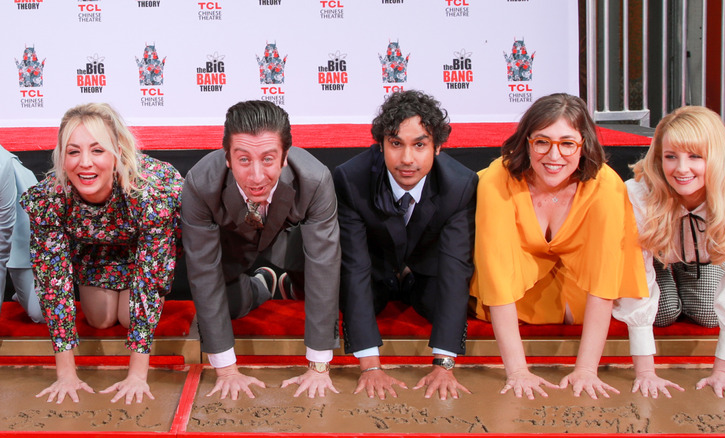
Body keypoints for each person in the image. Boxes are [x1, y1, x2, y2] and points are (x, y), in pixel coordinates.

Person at [469, 93, 648, 400]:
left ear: (584, 145)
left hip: (580, 292)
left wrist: (587, 370)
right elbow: (496, 274)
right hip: (512, 295)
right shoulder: (496, 180)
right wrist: (517, 372)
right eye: (542, 142)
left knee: (574, 308)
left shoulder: (606, 185)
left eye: (567, 143)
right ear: (526, 142)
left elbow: (604, 279)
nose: (554, 156)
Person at [21, 103, 182, 404]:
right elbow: (52, 282)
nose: (85, 163)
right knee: (101, 319)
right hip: (96, 250)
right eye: (73, 152)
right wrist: (66, 374)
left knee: (131, 317)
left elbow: (150, 278)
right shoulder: (51, 197)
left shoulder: (148, 193)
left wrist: (136, 375)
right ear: (61, 156)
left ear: (117, 152)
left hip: (147, 252)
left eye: (97, 150)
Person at [181, 100, 341, 400]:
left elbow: (324, 264)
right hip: (233, 251)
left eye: (268, 159)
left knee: (319, 288)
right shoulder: (200, 183)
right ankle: (263, 286)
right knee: (230, 304)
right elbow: (203, 272)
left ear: (284, 158)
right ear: (227, 157)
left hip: (292, 248)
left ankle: (289, 285)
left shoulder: (315, 179)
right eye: (244, 160)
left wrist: (319, 367)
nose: (256, 176)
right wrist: (227, 371)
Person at [612, 106, 725, 400]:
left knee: (707, 314)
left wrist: (723, 373)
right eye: (671, 156)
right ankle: (668, 272)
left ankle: (687, 272)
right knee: (662, 314)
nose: (681, 169)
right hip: (656, 256)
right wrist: (646, 373)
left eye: (695, 156)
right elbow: (636, 275)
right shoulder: (637, 195)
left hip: (706, 258)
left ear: (717, 157)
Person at [334, 90, 478, 401]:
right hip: (375, 270)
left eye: (420, 144)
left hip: (427, 270)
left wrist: (444, 364)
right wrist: (370, 367)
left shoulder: (460, 186)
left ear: (437, 147)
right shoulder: (350, 179)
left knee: (438, 300)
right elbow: (355, 267)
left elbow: (455, 270)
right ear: (381, 144)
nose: (407, 159)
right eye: (396, 144)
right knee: (350, 298)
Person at [0, 145, 44, 323]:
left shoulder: (2, 164)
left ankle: (27, 291)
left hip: (19, 227)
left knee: (40, 314)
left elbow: (2, 246)